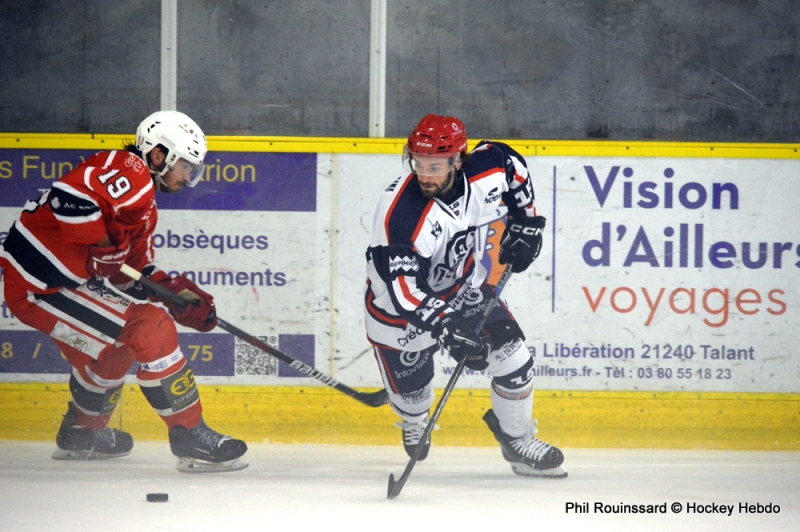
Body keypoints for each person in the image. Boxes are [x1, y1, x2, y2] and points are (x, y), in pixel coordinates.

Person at [0, 111, 248, 473]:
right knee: (151, 328)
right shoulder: (130, 168)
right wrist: (103, 246)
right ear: (158, 155)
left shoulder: (145, 206)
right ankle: (190, 435)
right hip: (40, 285)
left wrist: (172, 293)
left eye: (194, 170)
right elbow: (68, 199)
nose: (188, 177)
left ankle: (81, 433)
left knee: (117, 352)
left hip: (62, 286)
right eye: (185, 167)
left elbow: (128, 273)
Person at [364, 114, 566, 478]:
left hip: (462, 291)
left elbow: (511, 162)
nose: (424, 175)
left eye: (435, 166)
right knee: (413, 398)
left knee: (513, 359)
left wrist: (526, 221)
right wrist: (444, 325)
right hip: (396, 311)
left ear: (458, 160)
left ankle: (516, 441)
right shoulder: (402, 216)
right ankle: (412, 418)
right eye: (418, 164)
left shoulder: (484, 169)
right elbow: (405, 292)